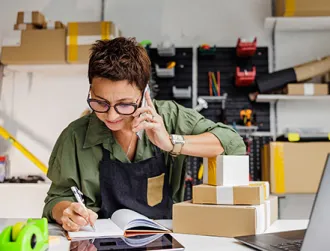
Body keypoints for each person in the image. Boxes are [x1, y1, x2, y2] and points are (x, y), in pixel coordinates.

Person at [42, 37, 246, 232]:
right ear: (90, 90)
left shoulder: (170, 116)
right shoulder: (75, 136)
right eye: (100, 102)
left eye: (124, 104)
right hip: (98, 239)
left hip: (163, 237)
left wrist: (171, 143)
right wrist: (66, 211)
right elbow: (57, 198)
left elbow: (231, 142)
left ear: (143, 94)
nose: (111, 115)